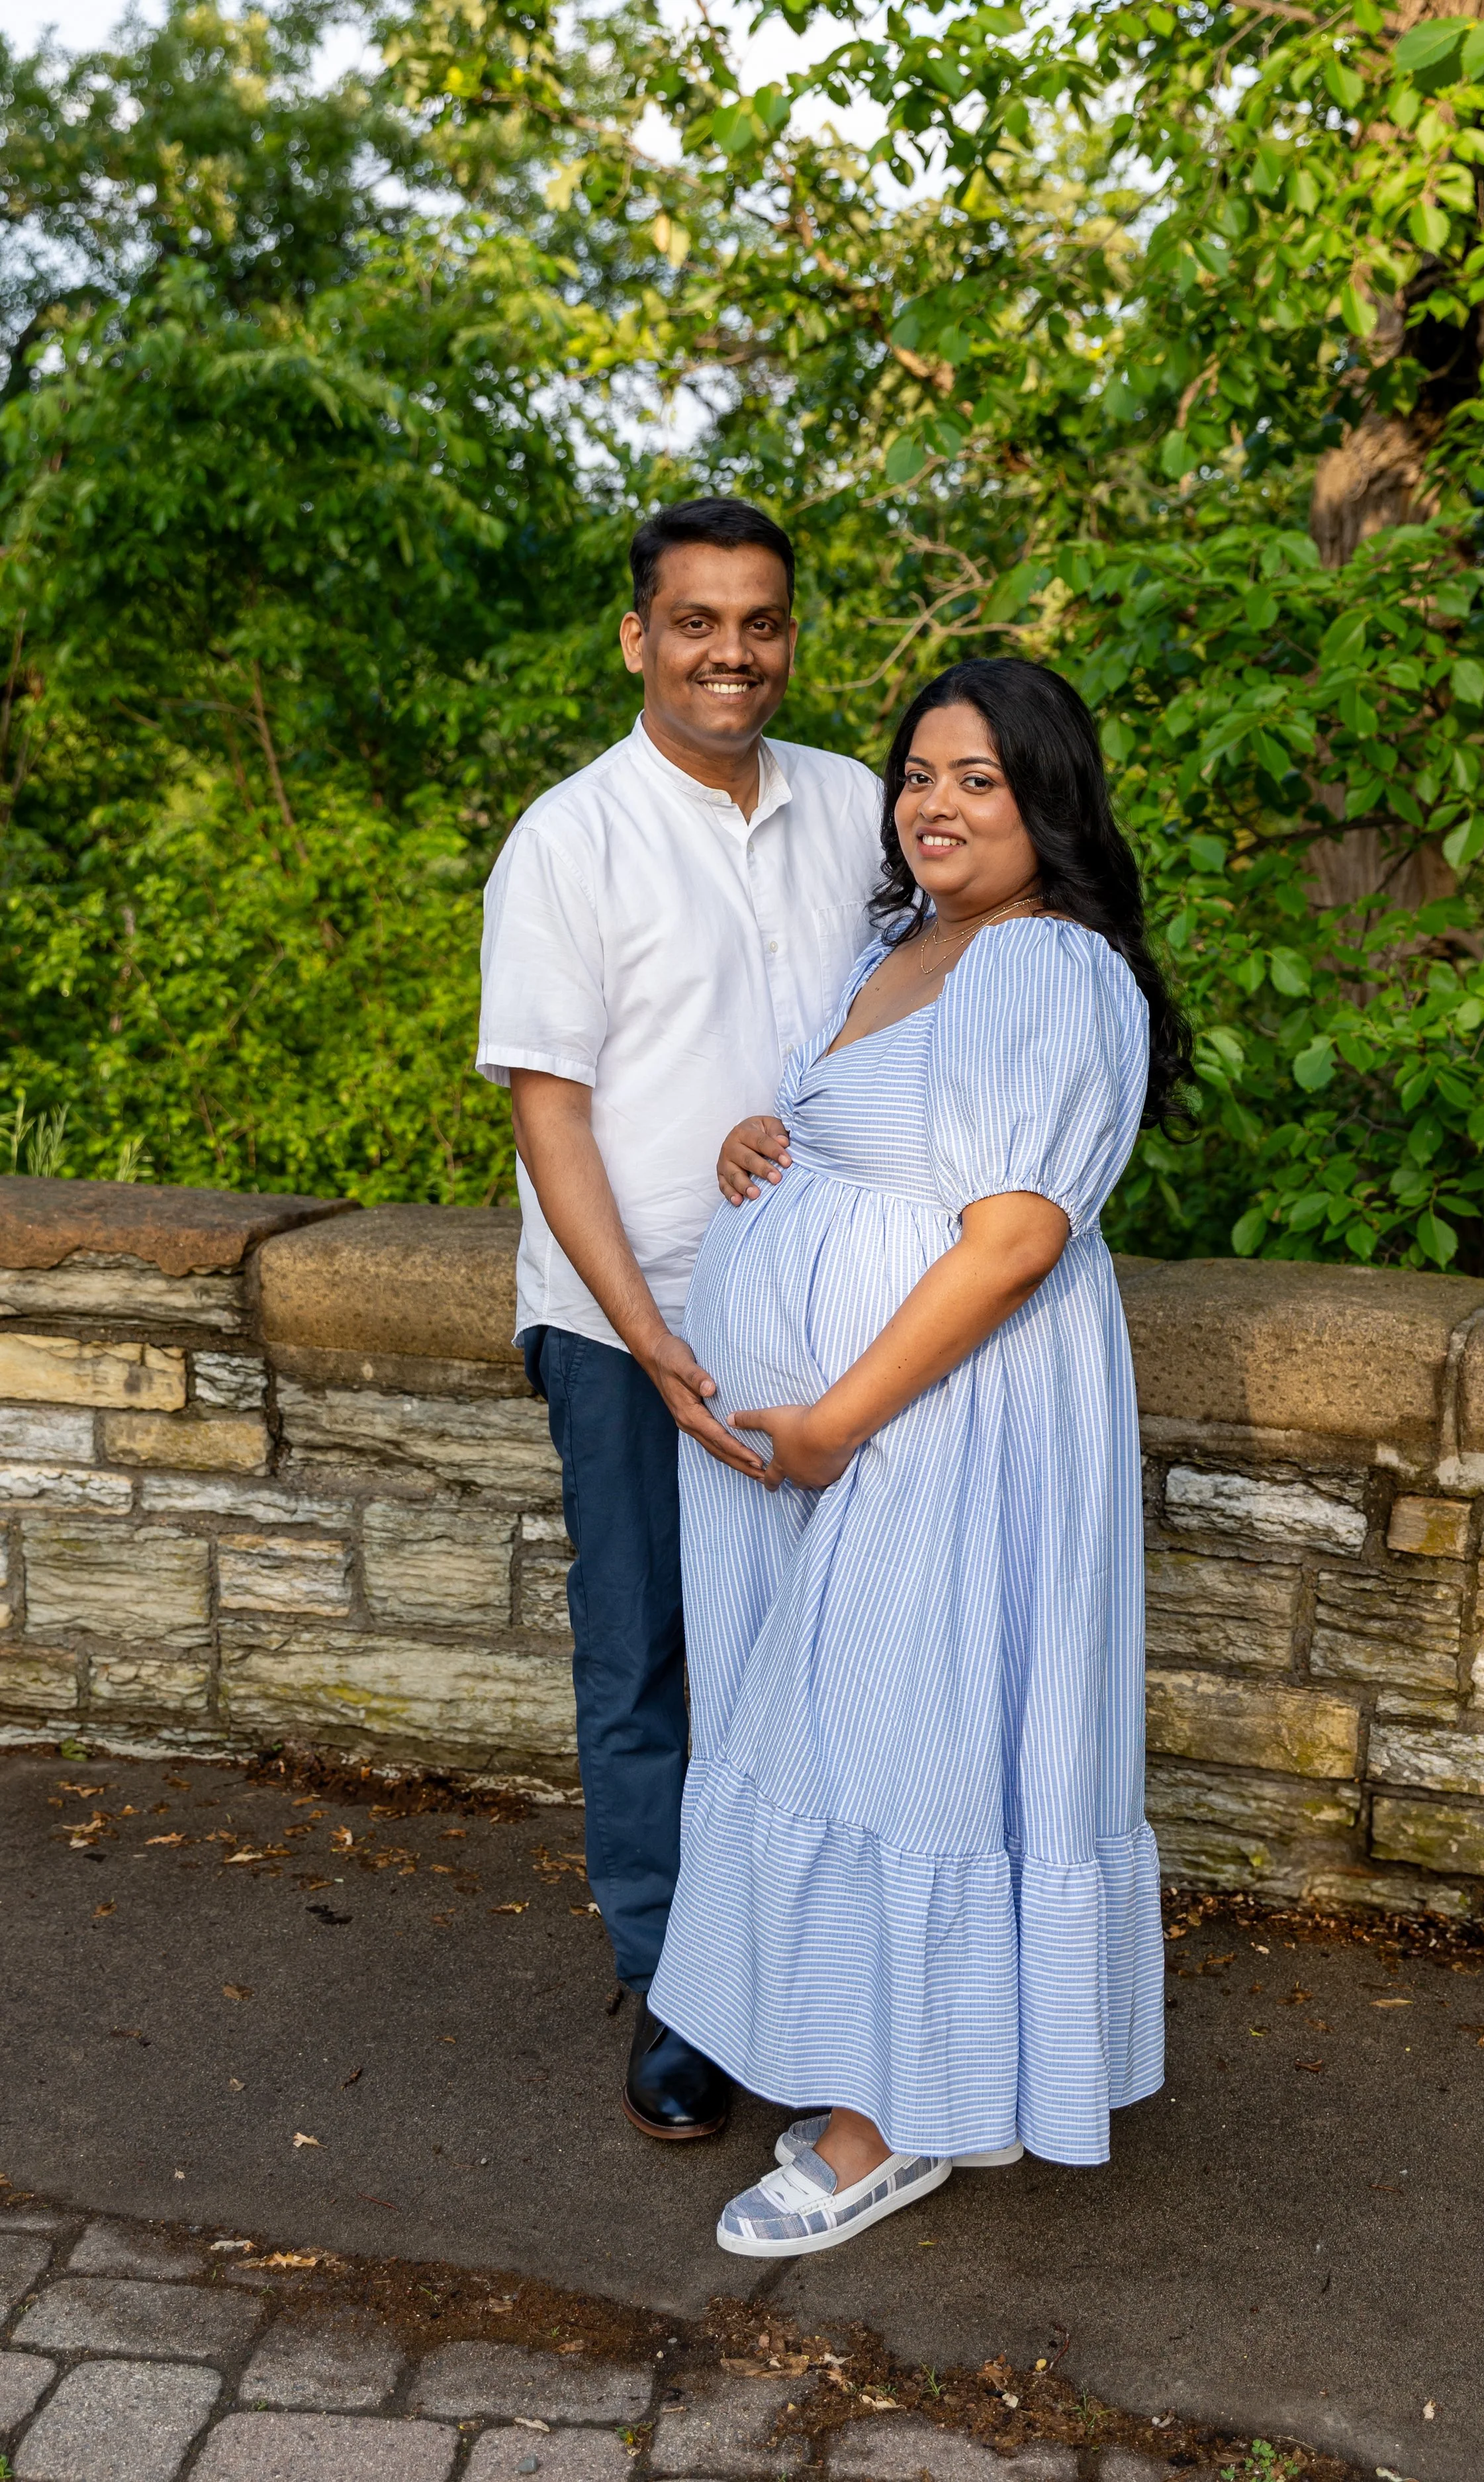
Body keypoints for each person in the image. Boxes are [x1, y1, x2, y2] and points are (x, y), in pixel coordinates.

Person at [647, 655, 1192, 2254]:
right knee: (824, 1726)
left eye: (980, 781)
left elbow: (1013, 1234)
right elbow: (881, 1130)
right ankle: (891, 2058)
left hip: (938, 1423)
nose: (936, 805)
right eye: (917, 775)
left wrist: (829, 1418)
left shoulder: (1043, 966)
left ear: (1048, 806)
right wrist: (777, 1133)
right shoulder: (907, 942)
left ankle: (894, 2123)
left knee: (907, 1736)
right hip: (848, 1436)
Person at [475, 497, 883, 2142]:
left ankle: (822, 1963)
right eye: (697, 622)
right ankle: (677, 1993)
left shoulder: (859, 805)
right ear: (637, 638)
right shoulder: (567, 840)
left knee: (817, 1661)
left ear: (790, 635)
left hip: (829, 1311)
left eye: (761, 622)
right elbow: (549, 1115)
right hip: (621, 1322)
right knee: (644, 1658)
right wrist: (647, 1343)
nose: (733, 653)